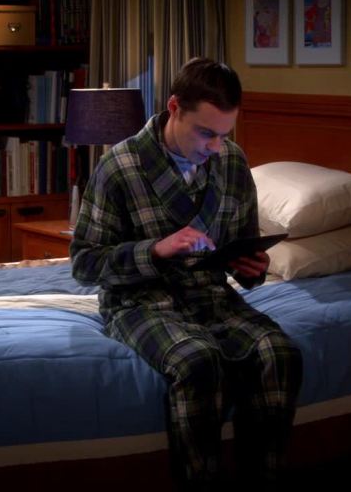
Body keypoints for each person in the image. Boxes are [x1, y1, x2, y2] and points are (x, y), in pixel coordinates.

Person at [70, 58, 302, 490]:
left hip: (210, 295)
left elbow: (242, 245)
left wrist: (252, 268)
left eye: (224, 135)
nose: (215, 146)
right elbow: (84, 263)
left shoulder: (231, 162)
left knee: (279, 351)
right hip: (139, 301)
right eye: (206, 133)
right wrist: (155, 250)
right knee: (198, 360)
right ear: (175, 107)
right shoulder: (119, 166)